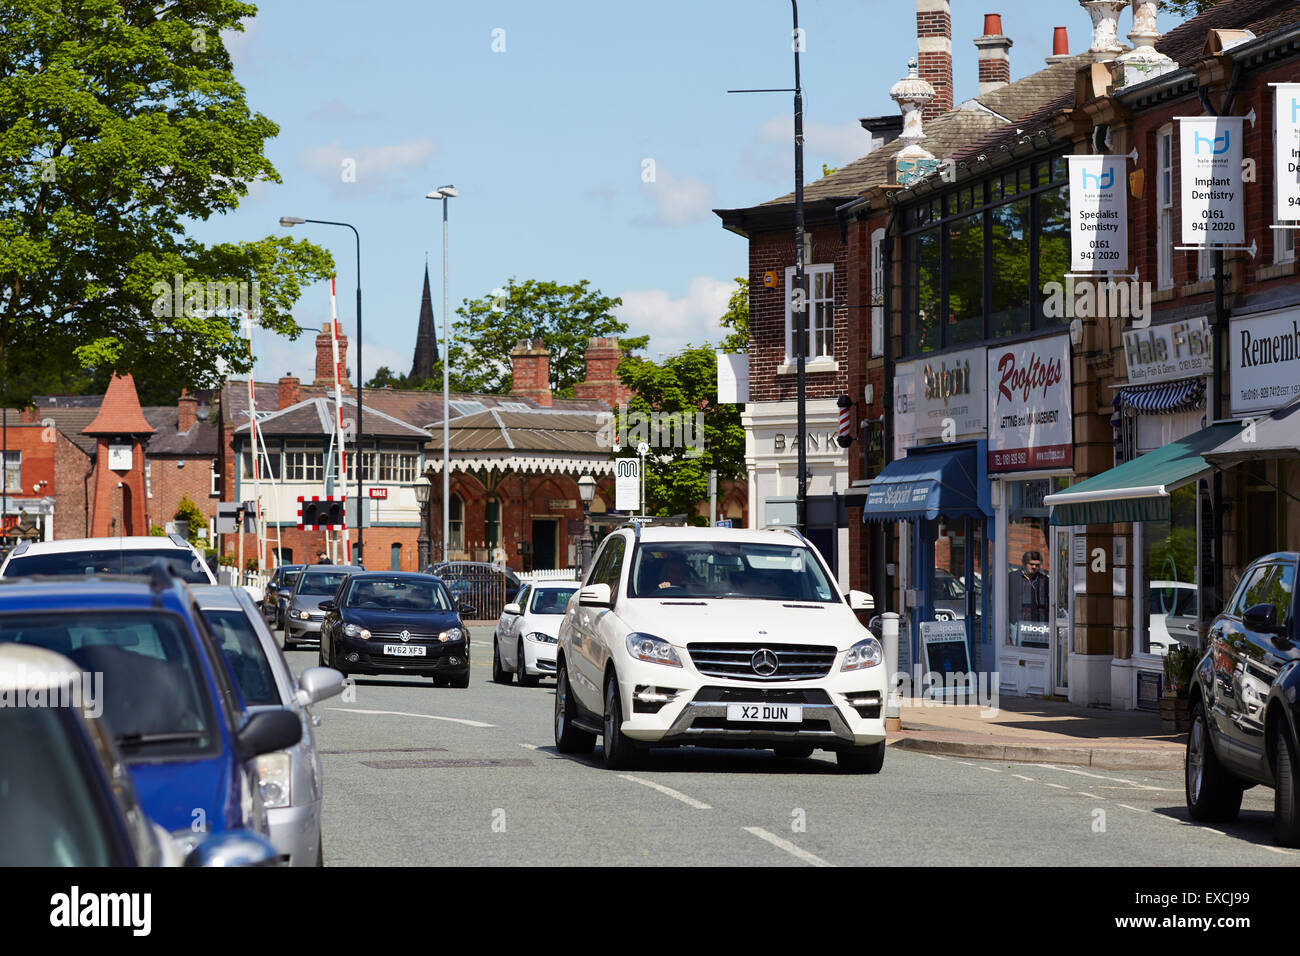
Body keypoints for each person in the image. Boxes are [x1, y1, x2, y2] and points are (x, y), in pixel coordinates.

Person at [1008, 550, 1049, 636]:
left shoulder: (1044, 580)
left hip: (1038, 624)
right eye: (1031, 564)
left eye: (1037, 565)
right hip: (1016, 623)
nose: (1034, 567)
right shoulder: (1012, 577)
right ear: (1024, 563)